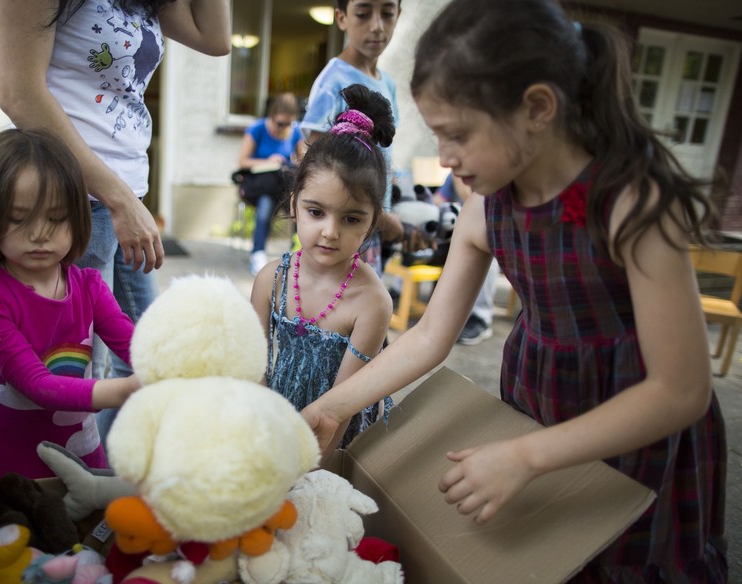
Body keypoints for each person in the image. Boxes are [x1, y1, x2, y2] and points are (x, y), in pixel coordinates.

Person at [302, 0, 728, 580]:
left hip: (632, 425)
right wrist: (333, 405)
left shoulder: (633, 201)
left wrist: (526, 455)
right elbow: (430, 334)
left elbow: (681, 390)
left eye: (457, 136)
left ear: (536, 108)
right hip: (537, 399)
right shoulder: (485, 204)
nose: (444, 161)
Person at [0, 0, 230, 443]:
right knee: (78, 375)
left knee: (146, 356)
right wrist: (118, 200)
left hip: (124, 203)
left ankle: (101, 477)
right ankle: (53, 492)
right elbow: (19, 93)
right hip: (73, 205)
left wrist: (126, 200)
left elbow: (216, 40)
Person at [0, 129, 141, 489]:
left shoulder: (88, 286)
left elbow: (137, 345)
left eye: (55, 218)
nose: (39, 233)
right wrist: (128, 388)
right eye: (18, 218)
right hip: (6, 459)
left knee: (86, 534)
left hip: (79, 446)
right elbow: (35, 385)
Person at [251, 84, 395, 448]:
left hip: (334, 445)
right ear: (295, 203)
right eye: (316, 212)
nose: (330, 232)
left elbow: (341, 412)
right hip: (269, 426)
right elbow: (252, 373)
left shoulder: (371, 302)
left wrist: (311, 479)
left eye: (351, 219)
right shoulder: (272, 279)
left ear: (373, 221)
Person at [300, 0, 404, 276]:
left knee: (364, 300)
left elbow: (385, 155)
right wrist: (380, 217)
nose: (376, 26)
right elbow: (312, 160)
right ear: (342, 18)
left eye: (387, 13)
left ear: (399, 15)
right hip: (339, 228)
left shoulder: (388, 83)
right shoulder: (332, 81)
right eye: (363, 13)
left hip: (369, 225)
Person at [237, 92, 307, 276]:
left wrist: (292, 161)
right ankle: (258, 253)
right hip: (261, 186)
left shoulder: (296, 131)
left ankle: (298, 253)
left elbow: (303, 162)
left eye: (288, 124)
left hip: (284, 186)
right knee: (265, 206)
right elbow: (243, 161)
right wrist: (269, 161)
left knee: (301, 206)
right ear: (271, 116)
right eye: (280, 123)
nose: (283, 128)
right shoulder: (257, 129)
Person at [434, 172, 498, 346]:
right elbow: (438, 199)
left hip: (484, 232)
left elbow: (472, 201)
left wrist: (460, 184)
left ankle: (480, 317)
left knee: (486, 249)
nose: (446, 161)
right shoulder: (455, 171)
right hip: (456, 231)